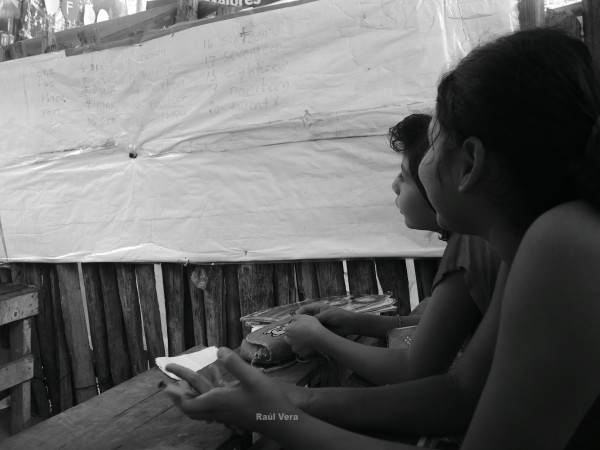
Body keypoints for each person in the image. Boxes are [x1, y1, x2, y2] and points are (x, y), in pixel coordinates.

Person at [164, 28, 600, 449]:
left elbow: (434, 383)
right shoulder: (522, 249)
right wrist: (289, 400)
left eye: (432, 142)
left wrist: (269, 416)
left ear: (469, 164)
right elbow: (460, 396)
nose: (414, 170)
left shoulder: (564, 244)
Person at [283, 113, 501, 386]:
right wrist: (354, 323)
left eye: (405, 176)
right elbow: (437, 329)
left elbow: (413, 370)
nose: (394, 185)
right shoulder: (477, 238)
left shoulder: (469, 247)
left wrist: (319, 338)